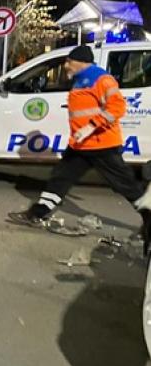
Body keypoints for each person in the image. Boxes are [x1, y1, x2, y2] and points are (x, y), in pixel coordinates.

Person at [8, 45, 151, 246]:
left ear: (81, 61)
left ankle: (149, 217)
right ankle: (37, 213)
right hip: (81, 145)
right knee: (60, 178)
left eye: (69, 61)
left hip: (102, 145)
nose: (66, 65)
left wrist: (91, 127)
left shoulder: (102, 79)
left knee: (125, 185)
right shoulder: (80, 80)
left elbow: (117, 106)